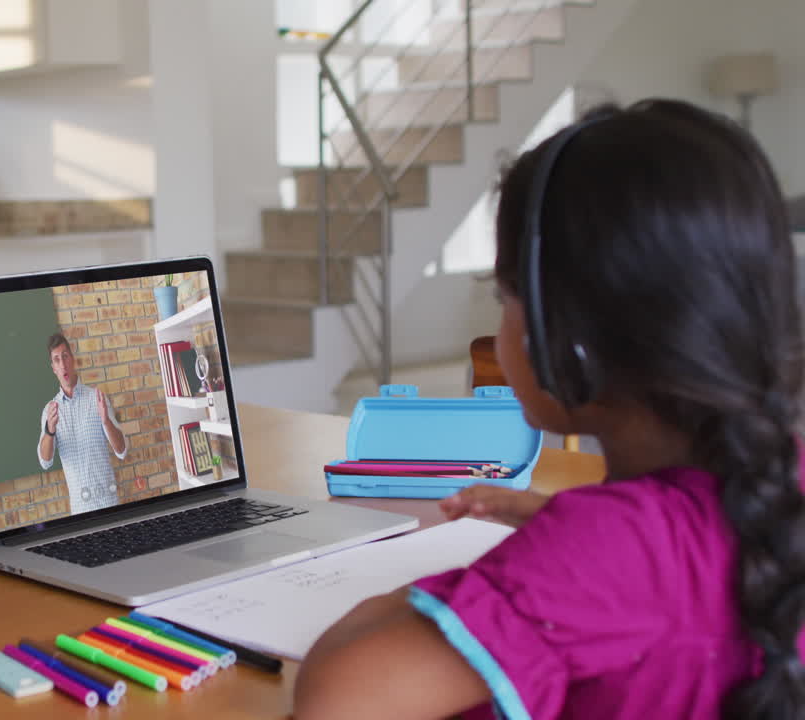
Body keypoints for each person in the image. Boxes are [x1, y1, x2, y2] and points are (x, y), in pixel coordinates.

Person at [294, 99, 805, 719]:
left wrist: (502, 579)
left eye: (505, 292)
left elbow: (338, 702)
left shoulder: (607, 551)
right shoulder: (775, 488)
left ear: (567, 331)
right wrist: (564, 532)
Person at [37, 332, 128, 514]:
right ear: (53, 368)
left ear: (72, 359)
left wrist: (106, 421)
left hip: (108, 505)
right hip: (80, 512)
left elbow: (122, 451)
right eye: (57, 360)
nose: (63, 364)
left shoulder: (97, 398)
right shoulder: (50, 411)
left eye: (65, 356)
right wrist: (50, 431)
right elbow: (45, 462)